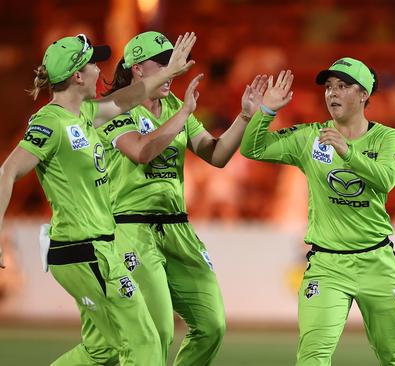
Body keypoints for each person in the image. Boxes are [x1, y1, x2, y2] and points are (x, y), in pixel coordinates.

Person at [0, 32, 196, 365]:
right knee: (144, 340)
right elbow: (7, 172)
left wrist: (168, 72)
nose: (99, 70)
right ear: (78, 75)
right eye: (93, 63)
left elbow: (130, 97)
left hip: (96, 249)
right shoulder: (51, 122)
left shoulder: (86, 113)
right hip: (82, 249)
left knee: (101, 350)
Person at [95, 31, 268, 366]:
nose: (172, 68)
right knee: (156, 333)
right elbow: (142, 152)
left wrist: (245, 116)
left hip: (177, 228)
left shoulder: (174, 106)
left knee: (212, 325)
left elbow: (215, 155)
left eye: (173, 61)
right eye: (161, 63)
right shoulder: (113, 107)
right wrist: (185, 112)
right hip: (132, 230)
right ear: (137, 69)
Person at [240, 60, 395, 366]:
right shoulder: (311, 137)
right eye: (329, 87)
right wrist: (266, 112)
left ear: (363, 95)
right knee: (312, 357)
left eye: (343, 86)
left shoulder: (387, 138)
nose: (332, 93)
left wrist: (347, 151)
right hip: (327, 266)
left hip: (378, 263)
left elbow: (386, 179)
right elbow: (252, 149)